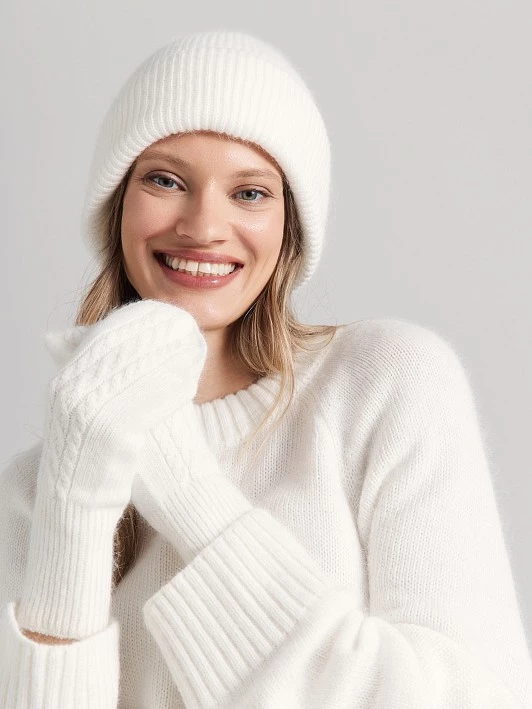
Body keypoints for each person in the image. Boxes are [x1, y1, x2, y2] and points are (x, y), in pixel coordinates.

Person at [0, 29, 531, 709]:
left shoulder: (385, 385)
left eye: (250, 192)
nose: (203, 226)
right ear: (118, 204)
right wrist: (73, 503)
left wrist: (185, 486)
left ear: (289, 227)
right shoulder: (35, 485)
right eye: (165, 180)